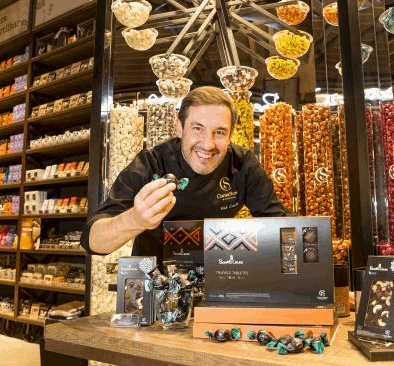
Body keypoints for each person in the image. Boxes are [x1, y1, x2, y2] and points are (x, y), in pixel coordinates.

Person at [81, 86, 286, 259]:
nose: (208, 144)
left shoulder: (243, 164)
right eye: (197, 128)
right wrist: (135, 219)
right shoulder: (152, 163)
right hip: (154, 280)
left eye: (219, 132)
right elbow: (92, 241)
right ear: (179, 128)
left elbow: (280, 225)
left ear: (230, 135)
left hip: (219, 274)